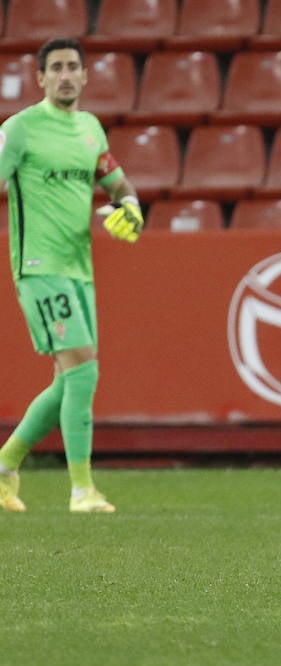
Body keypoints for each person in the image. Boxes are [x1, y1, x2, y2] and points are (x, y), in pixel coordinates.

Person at [0, 37, 143, 515]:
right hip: (38, 267)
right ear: (40, 78)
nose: (65, 75)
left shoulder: (90, 129)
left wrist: (132, 206)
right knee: (84, 369)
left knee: (69, 381)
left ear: (84, 76)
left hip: (79, 269)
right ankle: (82, 490)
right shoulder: (19, 129)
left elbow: (114, 178)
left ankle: (4, 467)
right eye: (55, 67)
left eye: (72, 67)